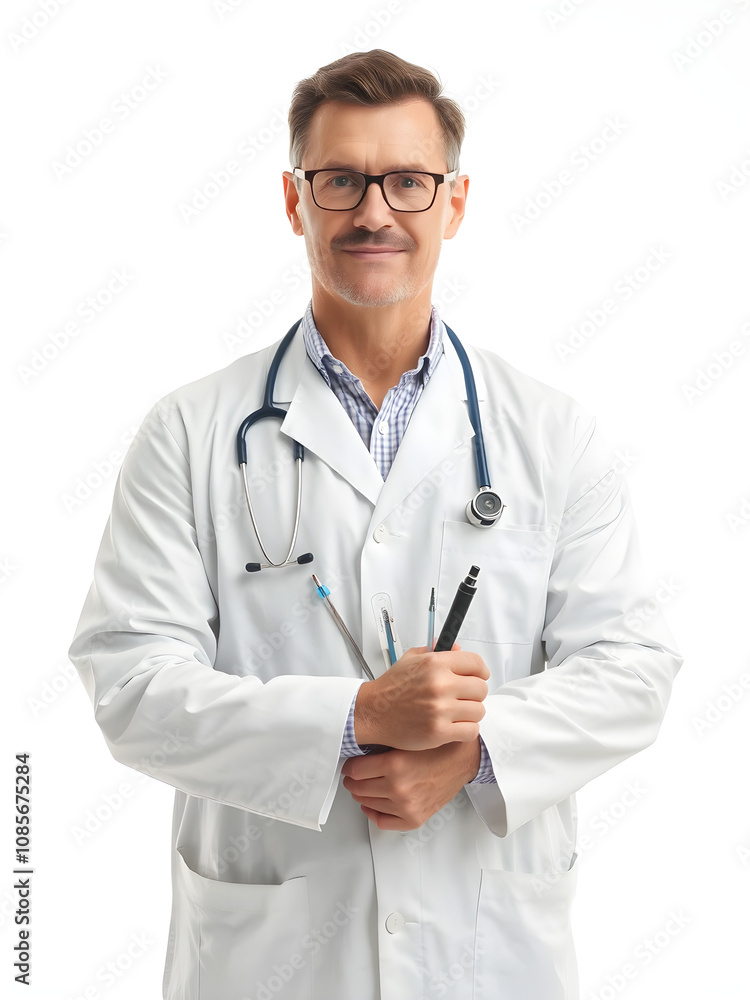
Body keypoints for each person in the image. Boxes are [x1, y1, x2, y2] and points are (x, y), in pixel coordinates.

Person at [69, 48, 683, 1000]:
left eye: (407, 181)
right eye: (341, 179)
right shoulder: (190, 432)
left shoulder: (553, 434)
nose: (373, 211)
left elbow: (634, 670)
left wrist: (475, 755)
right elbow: (131, 684)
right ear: (294, 200)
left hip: (490, 956)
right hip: (270, 958)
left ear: (455, 202)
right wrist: (356, 721)